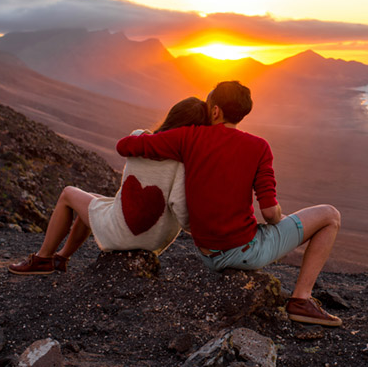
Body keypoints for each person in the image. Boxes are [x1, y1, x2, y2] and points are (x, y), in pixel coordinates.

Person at [116, 81, 343, 327]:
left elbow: (124, 146)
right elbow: (269, 214)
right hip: (244, 253)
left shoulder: (188, 137)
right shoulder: (259, 147)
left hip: (207, 254)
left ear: (215, 111)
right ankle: (301, 300)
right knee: (330, 216)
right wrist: (280, 219)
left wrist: (155, 138)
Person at [8, 97, 210, 275]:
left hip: (124, 234)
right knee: (94, 199)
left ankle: (43, 259)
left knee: (68, 193)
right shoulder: (184, 163)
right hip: (154, 241)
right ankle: (61, 257)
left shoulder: (140, 138)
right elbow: (181, 209)